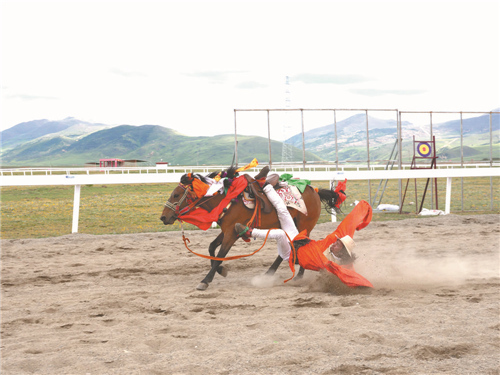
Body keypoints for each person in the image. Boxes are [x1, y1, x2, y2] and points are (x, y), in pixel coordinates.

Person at [235, 184, 373, 288]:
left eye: (338, 244)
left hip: (291, 254)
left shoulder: (328, 263)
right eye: (337, 241)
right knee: (283, 212)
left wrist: (363, 284)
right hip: (298, 240)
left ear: (342, 252)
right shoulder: (332, 242)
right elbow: (347, 224)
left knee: (281, 234)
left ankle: (249, 232)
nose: (334, 243)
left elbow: (344, 273)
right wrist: (363, 208)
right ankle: (266, 186)